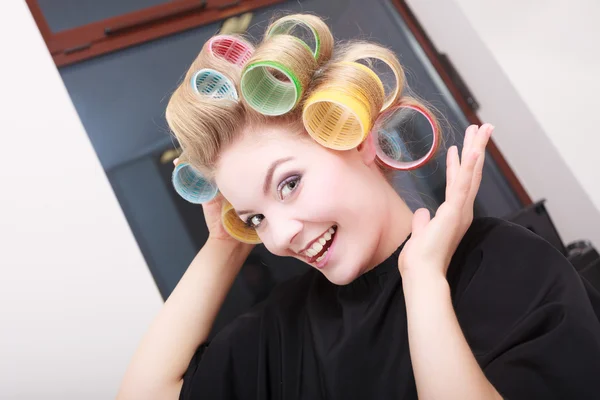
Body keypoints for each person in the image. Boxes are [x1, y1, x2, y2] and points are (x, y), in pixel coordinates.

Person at [117, 14, 600, 400]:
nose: (279, 237)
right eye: (255, 218)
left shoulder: (503, 266)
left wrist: (425, 281)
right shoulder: (287, 326)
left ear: (353, 136)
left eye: (288, 184)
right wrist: (223, 243)